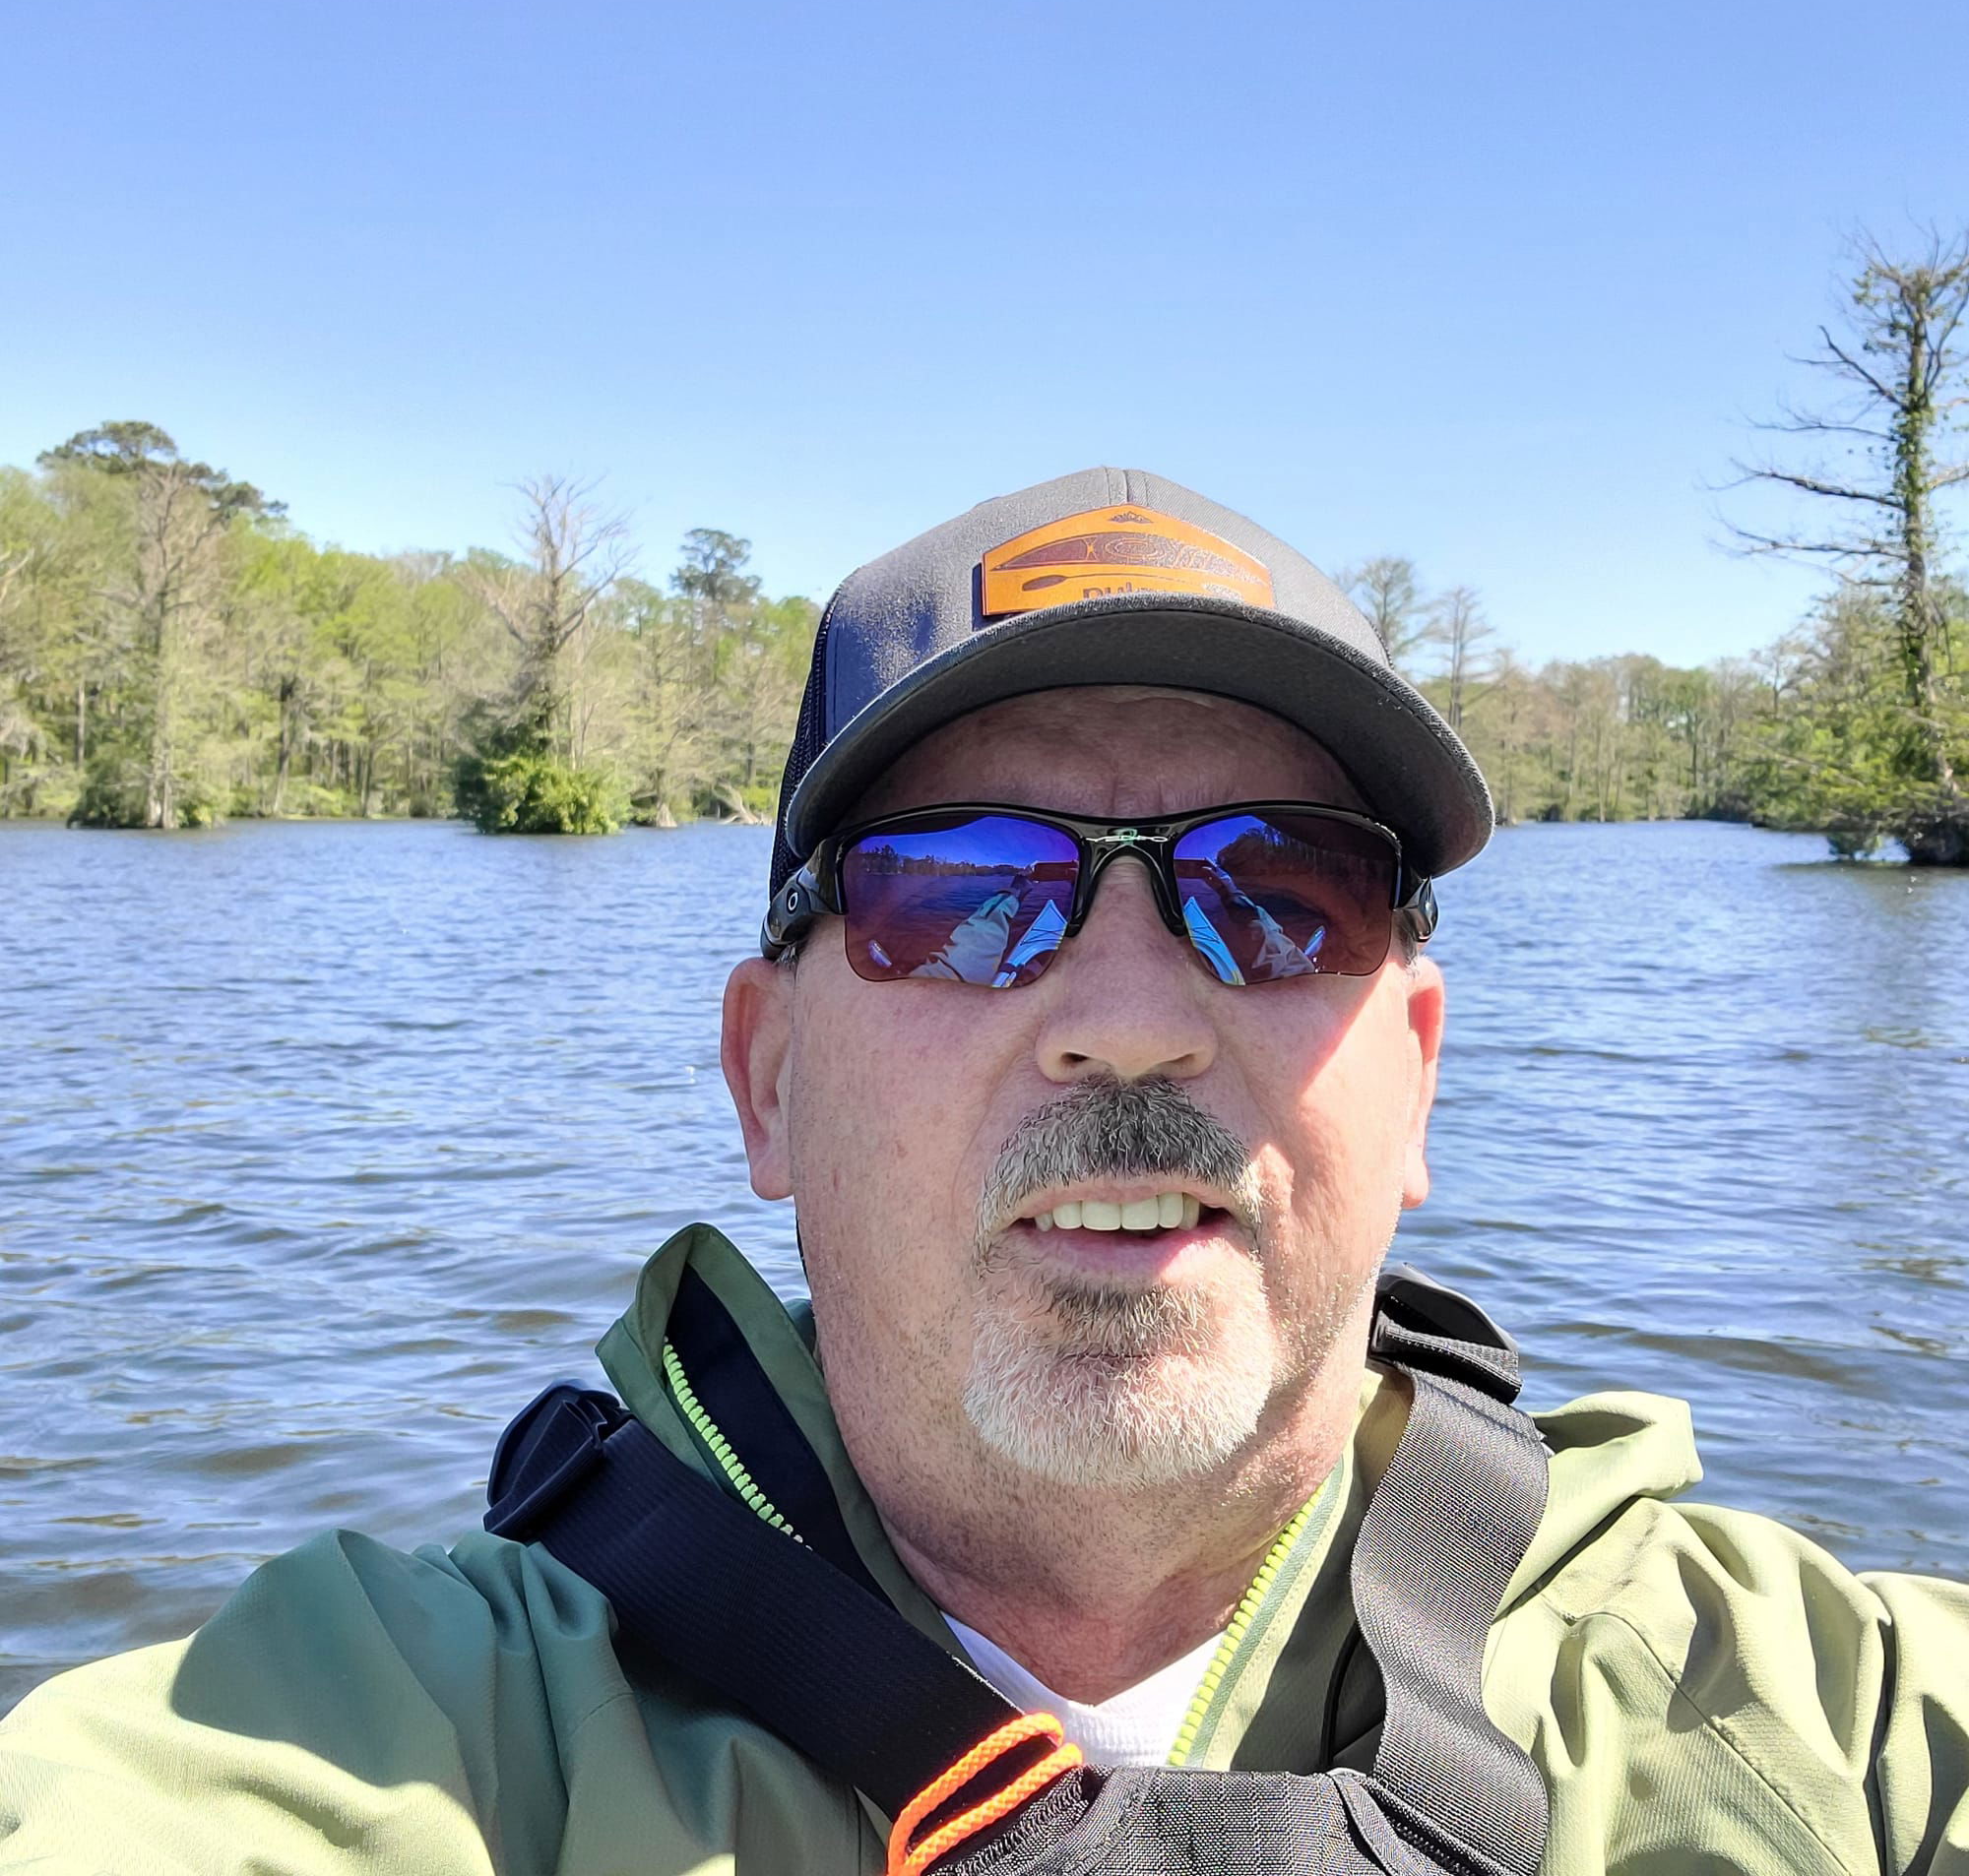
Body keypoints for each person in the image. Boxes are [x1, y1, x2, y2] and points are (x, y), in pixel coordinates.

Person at [2, 468, 1965, 1875]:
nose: (1128, 1016)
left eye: (1281, 897)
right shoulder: (399, 1733)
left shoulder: (1824, 1724)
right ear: (765, 1088)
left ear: (1420, 1083)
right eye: (958, 902)